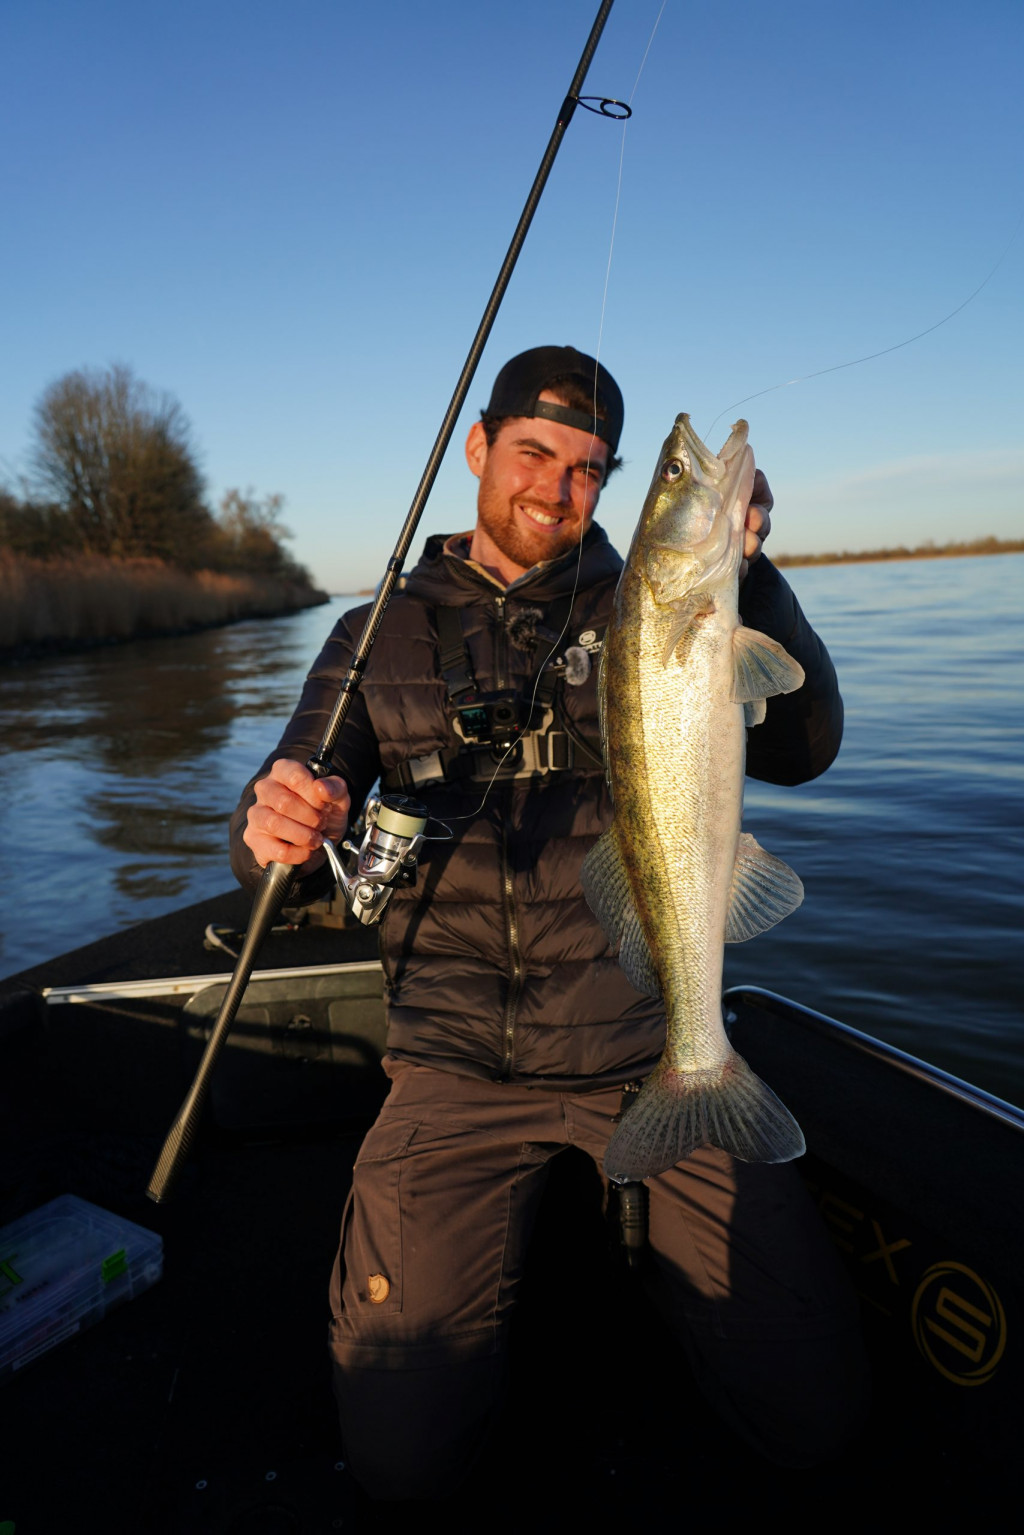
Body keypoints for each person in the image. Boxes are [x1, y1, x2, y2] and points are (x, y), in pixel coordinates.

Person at [229, 346, 868, 1500]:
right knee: (402, 1458)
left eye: (589, 469)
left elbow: (804, 749)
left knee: (812, 1417)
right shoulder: (376, 633)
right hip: (453, 1064)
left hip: (642, 1035)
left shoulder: (645, 606)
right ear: (479, 447)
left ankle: (676, 1140)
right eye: (534, 453)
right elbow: (284, 826)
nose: (556, 488)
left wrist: (753, 576)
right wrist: (270, 824)